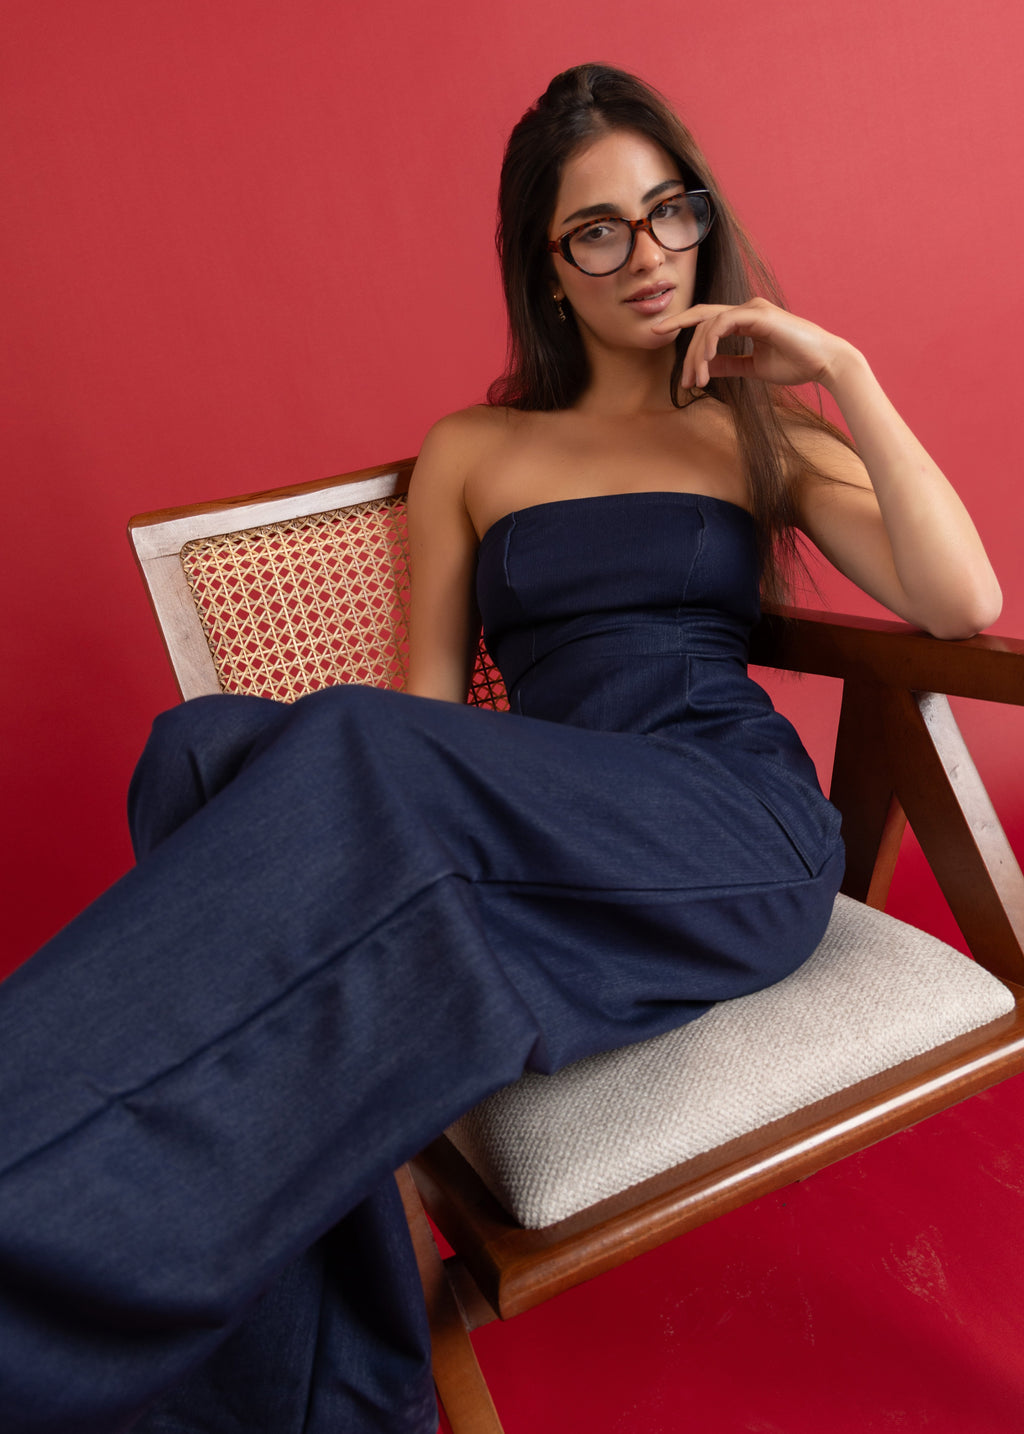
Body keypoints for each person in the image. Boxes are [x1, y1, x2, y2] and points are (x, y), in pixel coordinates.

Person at [0, 62, 1001, 1434]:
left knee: (335, 746)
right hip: (556, 835)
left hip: (729, 829)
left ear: (704, 219)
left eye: (669, 212)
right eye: (599, 229)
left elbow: (966, 603)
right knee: (198, 757)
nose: (646, 254)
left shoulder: (753, 428)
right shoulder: (473, 448)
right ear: (549, 266)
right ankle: (331, 1386)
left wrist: (844, 371)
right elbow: (418, 712)